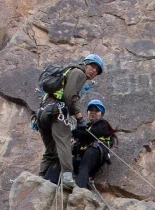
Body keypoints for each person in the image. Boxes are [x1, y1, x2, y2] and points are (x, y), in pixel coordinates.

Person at [37, 54, 105, 189]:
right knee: (64, 143)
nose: (94, 71)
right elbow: (69, 96)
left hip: (42, 113)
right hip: (57, 112)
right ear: (85, 64)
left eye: (97, 70)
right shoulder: (79, 73)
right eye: (92, 66)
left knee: (51, 149)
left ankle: (40, 177)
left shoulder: (68, 71)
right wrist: (79, 117)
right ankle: (67, 178)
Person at [72, 99, 117, 189]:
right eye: (91, 110)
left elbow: (93, 134)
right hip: (85, 152)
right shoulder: (86, 126)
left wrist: (76, 132)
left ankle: (79, 189)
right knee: (71, 162)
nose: (93, 112)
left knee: (84, 166)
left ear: (102, 114)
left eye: (96, 111)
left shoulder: (103, 124)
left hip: (96, 150)